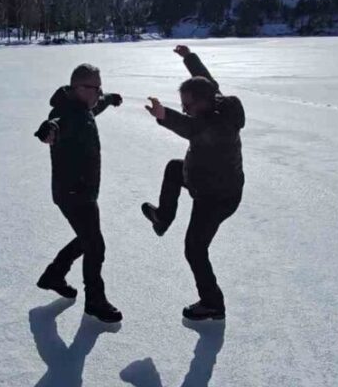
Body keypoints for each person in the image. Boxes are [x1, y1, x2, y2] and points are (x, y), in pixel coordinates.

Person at [142, 46, 245, 321]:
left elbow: (189, 128)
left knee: (194, 249)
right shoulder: (216, 99)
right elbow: (205, 79)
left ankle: (212, 303)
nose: (186, 110)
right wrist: (189, 58)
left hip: (216, 197)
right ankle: (163, 219)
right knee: (174, 169)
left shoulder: (216, 125)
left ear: (204, 102)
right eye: (183, 105)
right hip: (207, 180)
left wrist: (164, 115)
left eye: (188, 105)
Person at [34, 63, 123, 323]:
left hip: (82, 190)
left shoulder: (84, 107)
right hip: (73, 192)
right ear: (78, 88)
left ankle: (54, 274)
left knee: (87, 239)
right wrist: (48, 130)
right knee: (95, 245)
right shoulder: (67, 113)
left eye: (100, 87)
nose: (99, 92)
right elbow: (56, 124)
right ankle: (95, 300)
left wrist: (110, 98)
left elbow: (96, 106)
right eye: (96, 88)